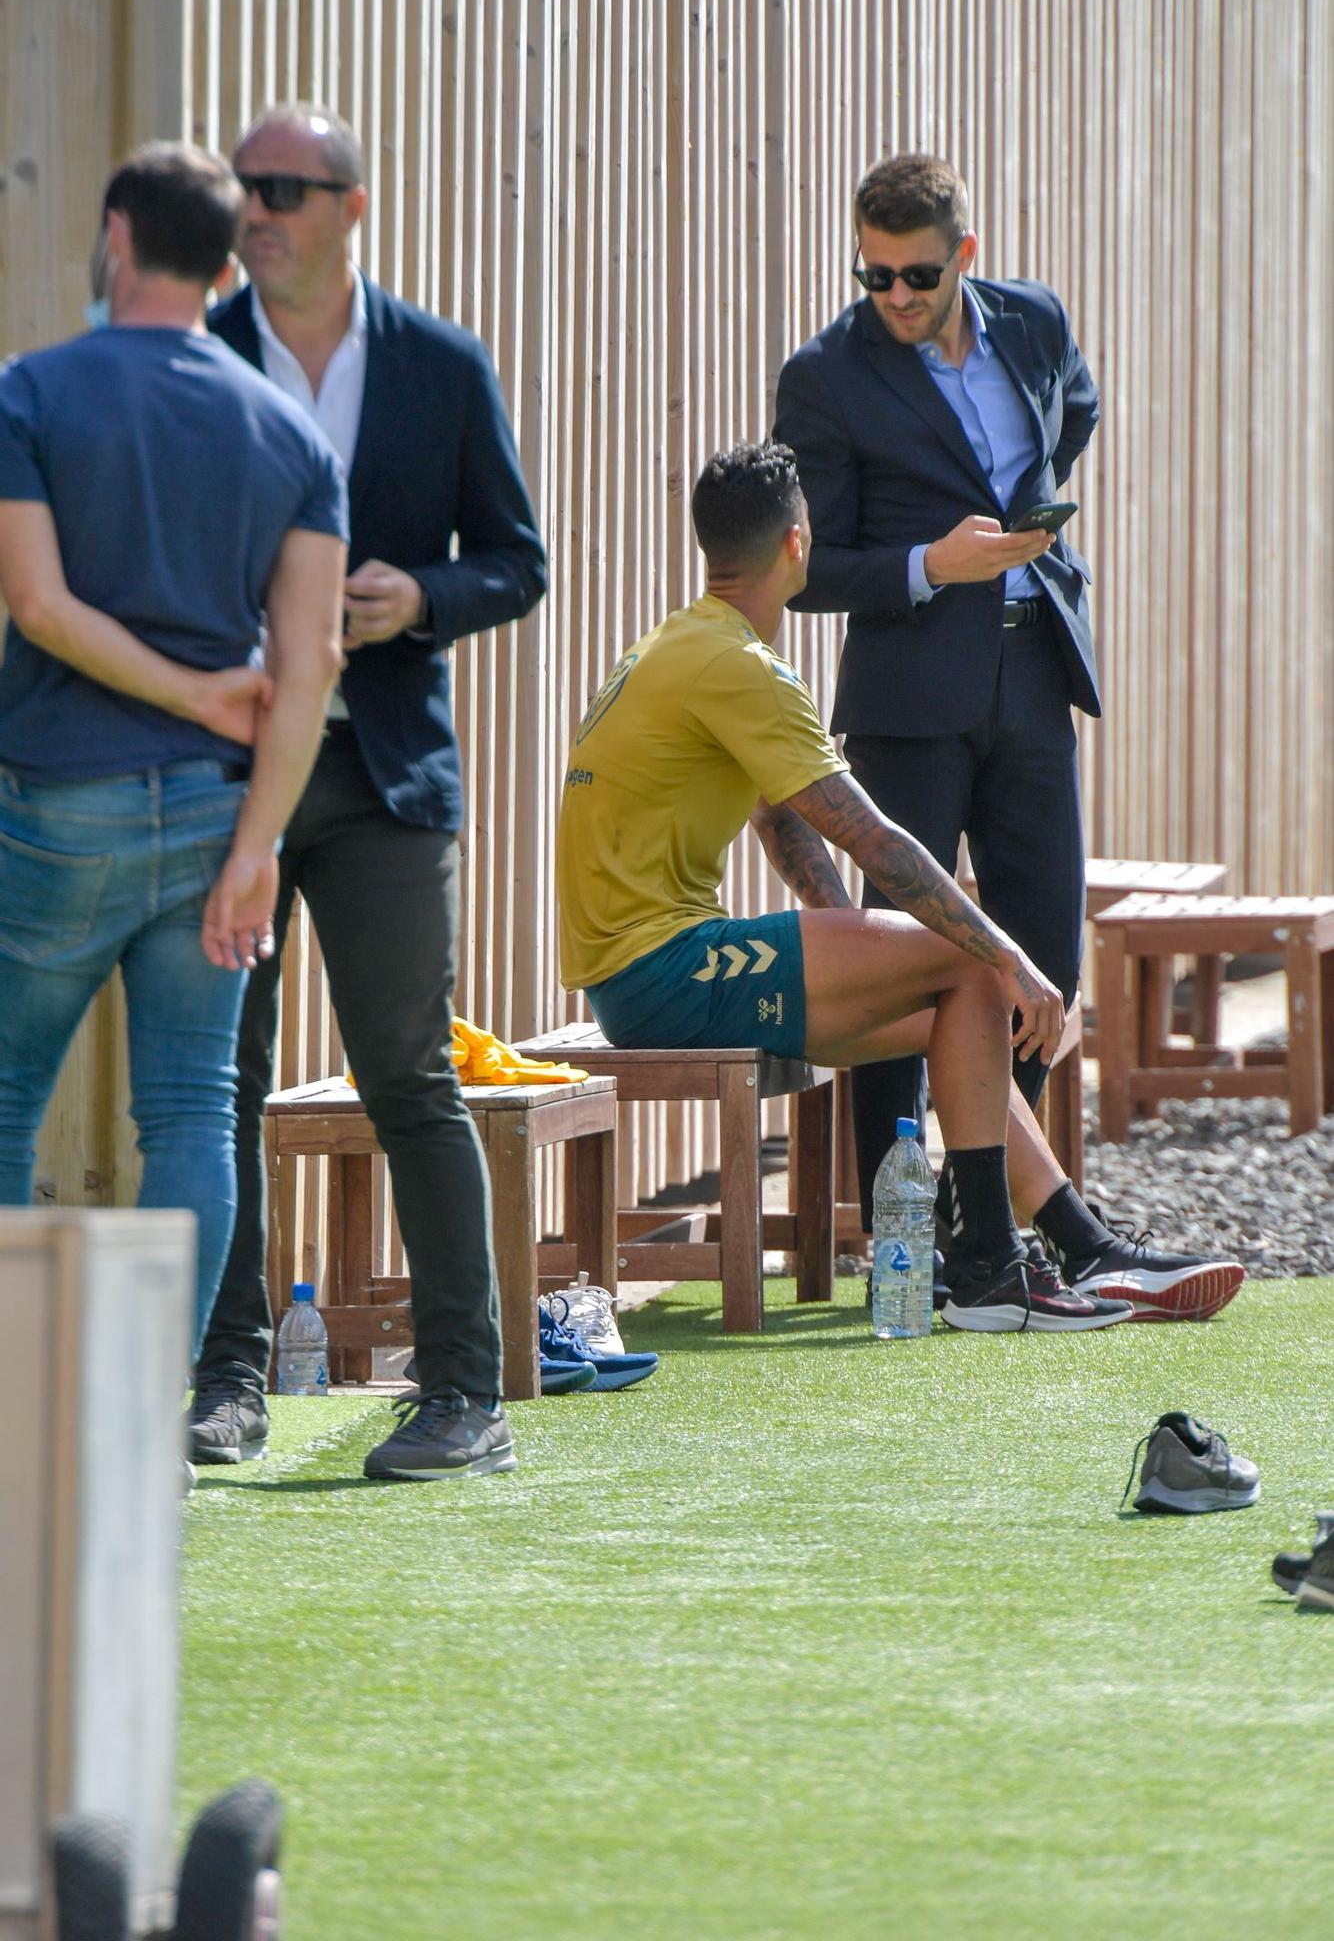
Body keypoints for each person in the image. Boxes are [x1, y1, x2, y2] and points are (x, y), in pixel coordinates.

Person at [555, 442, 1243, 1328]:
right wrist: (1007, 957)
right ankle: (991, 1270)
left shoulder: (679, 642)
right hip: (659, 971)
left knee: (936, 1014)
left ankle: (1079, 1245)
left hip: (641, 967)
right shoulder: (742, 668)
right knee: (970, 970)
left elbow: (779, 815)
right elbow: (876, 840)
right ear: (798, 545)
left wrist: (851, 945)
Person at [192, 104, 548, 1482]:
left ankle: (466, 1396)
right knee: (214, 1081)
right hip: (231, 779)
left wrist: (423, 598)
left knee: (408, 1076)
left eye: (285, 187)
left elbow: (516, 559)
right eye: (244, 188)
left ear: (352, 205)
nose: (257, 209)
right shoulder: (201, 357)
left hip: (385, 777)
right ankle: (226, 1389)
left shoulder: (441, 365)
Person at [0, 141, 347, 1358]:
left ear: (116, 234)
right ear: (226, 260)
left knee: (3, 1104)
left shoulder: (29, 394)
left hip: (55, 807)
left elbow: (37, 606)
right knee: (194, 1113)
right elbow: (310, 665)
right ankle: (146, 1416)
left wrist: (195, 694)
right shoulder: (292, 434)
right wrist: (259, 846)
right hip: (215, 823)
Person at [773, 152, 1099, 1259]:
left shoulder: (1033, 322)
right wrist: (931, 563)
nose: (895, 298)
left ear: (963, 254)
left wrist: (1030, 522)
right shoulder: (824, 374)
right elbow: (807, 567)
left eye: (916, 275)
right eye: (873, 276)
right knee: (906, 961)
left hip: (1033, 672)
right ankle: (895, 1231)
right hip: (907, 694)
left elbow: (1077, 403)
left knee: (1040, 954)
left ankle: (991, 1221)